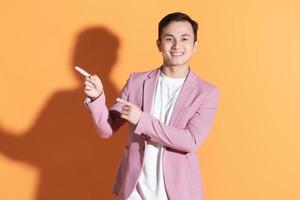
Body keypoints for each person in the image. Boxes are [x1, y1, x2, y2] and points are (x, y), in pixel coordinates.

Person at [83, 12, 219, 200]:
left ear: (195, 45)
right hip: (135, 192)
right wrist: (97, 97)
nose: (177, 45)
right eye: (169, 38)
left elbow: (190, 141)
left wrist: (142, 120)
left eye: (184, 39)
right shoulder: (137, 82)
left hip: (178, 193)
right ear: (159, 44)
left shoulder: (206, 92)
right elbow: (106, 129)